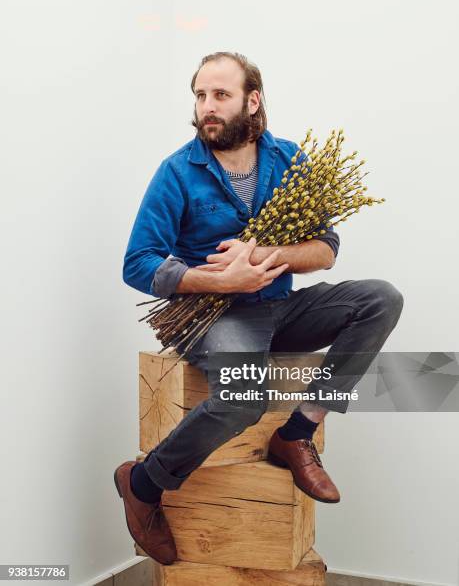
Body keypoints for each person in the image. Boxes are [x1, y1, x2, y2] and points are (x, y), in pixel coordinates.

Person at [114, 52, 404, 565]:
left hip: (281, 308)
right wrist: (218, 280)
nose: (207, 107)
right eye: (200, 96)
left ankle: (296, 434)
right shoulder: (177, 171)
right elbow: (138, 263)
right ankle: (143, 482)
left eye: (220, 95)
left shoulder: (290, 160)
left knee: (380, 298)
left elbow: (326, 249)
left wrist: (268, 256)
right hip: (216, 318)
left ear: (253, 99)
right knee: (247, 396)